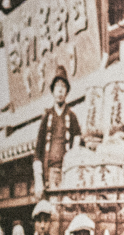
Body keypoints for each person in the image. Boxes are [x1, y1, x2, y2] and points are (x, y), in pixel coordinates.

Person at [33, 66, 82, 198]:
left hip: (67, 172)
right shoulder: (47, 117)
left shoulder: (72, 116)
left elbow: (77, 142)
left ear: (67, 91)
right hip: (49, 172)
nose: (60, 90)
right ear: (53, 90)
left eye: (63, 86)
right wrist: (38, 180)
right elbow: (38, 150)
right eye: (57, 86)